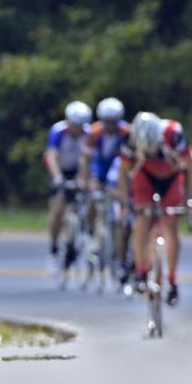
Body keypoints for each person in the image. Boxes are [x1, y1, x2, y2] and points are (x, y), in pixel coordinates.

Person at [119, 111, 192, 306]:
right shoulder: (129, 139)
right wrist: (125, 202)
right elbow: (123, 172)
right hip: (145, 175)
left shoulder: (174, 134)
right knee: (142, 218)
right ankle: (141, 271)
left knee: (170, 223)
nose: (152, 152)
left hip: (172, 176)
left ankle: (172, 280)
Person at [81, 97, 131, 281]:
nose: (110, 125)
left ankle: (120, 255)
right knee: (94, 200)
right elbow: (86, 160)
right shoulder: (94, 133)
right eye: (107, 122)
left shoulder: (127, 132)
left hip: (120, 173)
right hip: (100, 172)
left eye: (114, 122)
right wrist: (87, 181)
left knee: (120, 217)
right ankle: (91, 232)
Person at [44, 100, 92, 272]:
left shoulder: (88, 134)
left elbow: (86, 160)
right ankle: (54, 244)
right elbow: (51, 156)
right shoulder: (58, 132)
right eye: (74, 125)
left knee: (85, 204)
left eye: (80, 125)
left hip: (78, 170)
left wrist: (83, 180)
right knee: (58, 209)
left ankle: (79, 238)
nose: (77, 129)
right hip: (61, 170)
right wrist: (57, 177)